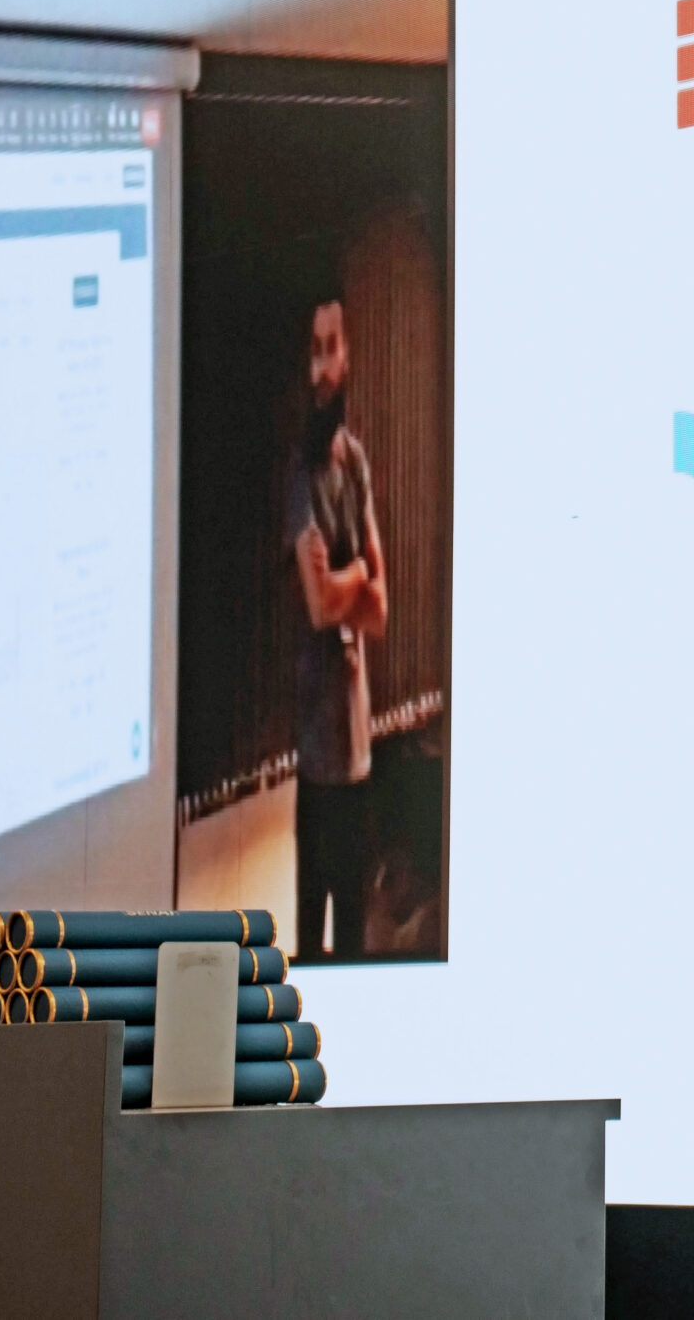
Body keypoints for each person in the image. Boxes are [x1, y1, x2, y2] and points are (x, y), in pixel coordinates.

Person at [289, 294, 387, 959]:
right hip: (318, 763)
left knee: (355, 940)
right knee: (310, 944)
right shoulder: (300, 475)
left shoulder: (356, 462)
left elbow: (379, 610)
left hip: (359, 756)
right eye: (315, 350)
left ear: (349, 355)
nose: (326, 365)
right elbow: (320, 606)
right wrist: (359, 575)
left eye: (334, 346)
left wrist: (344, 576)